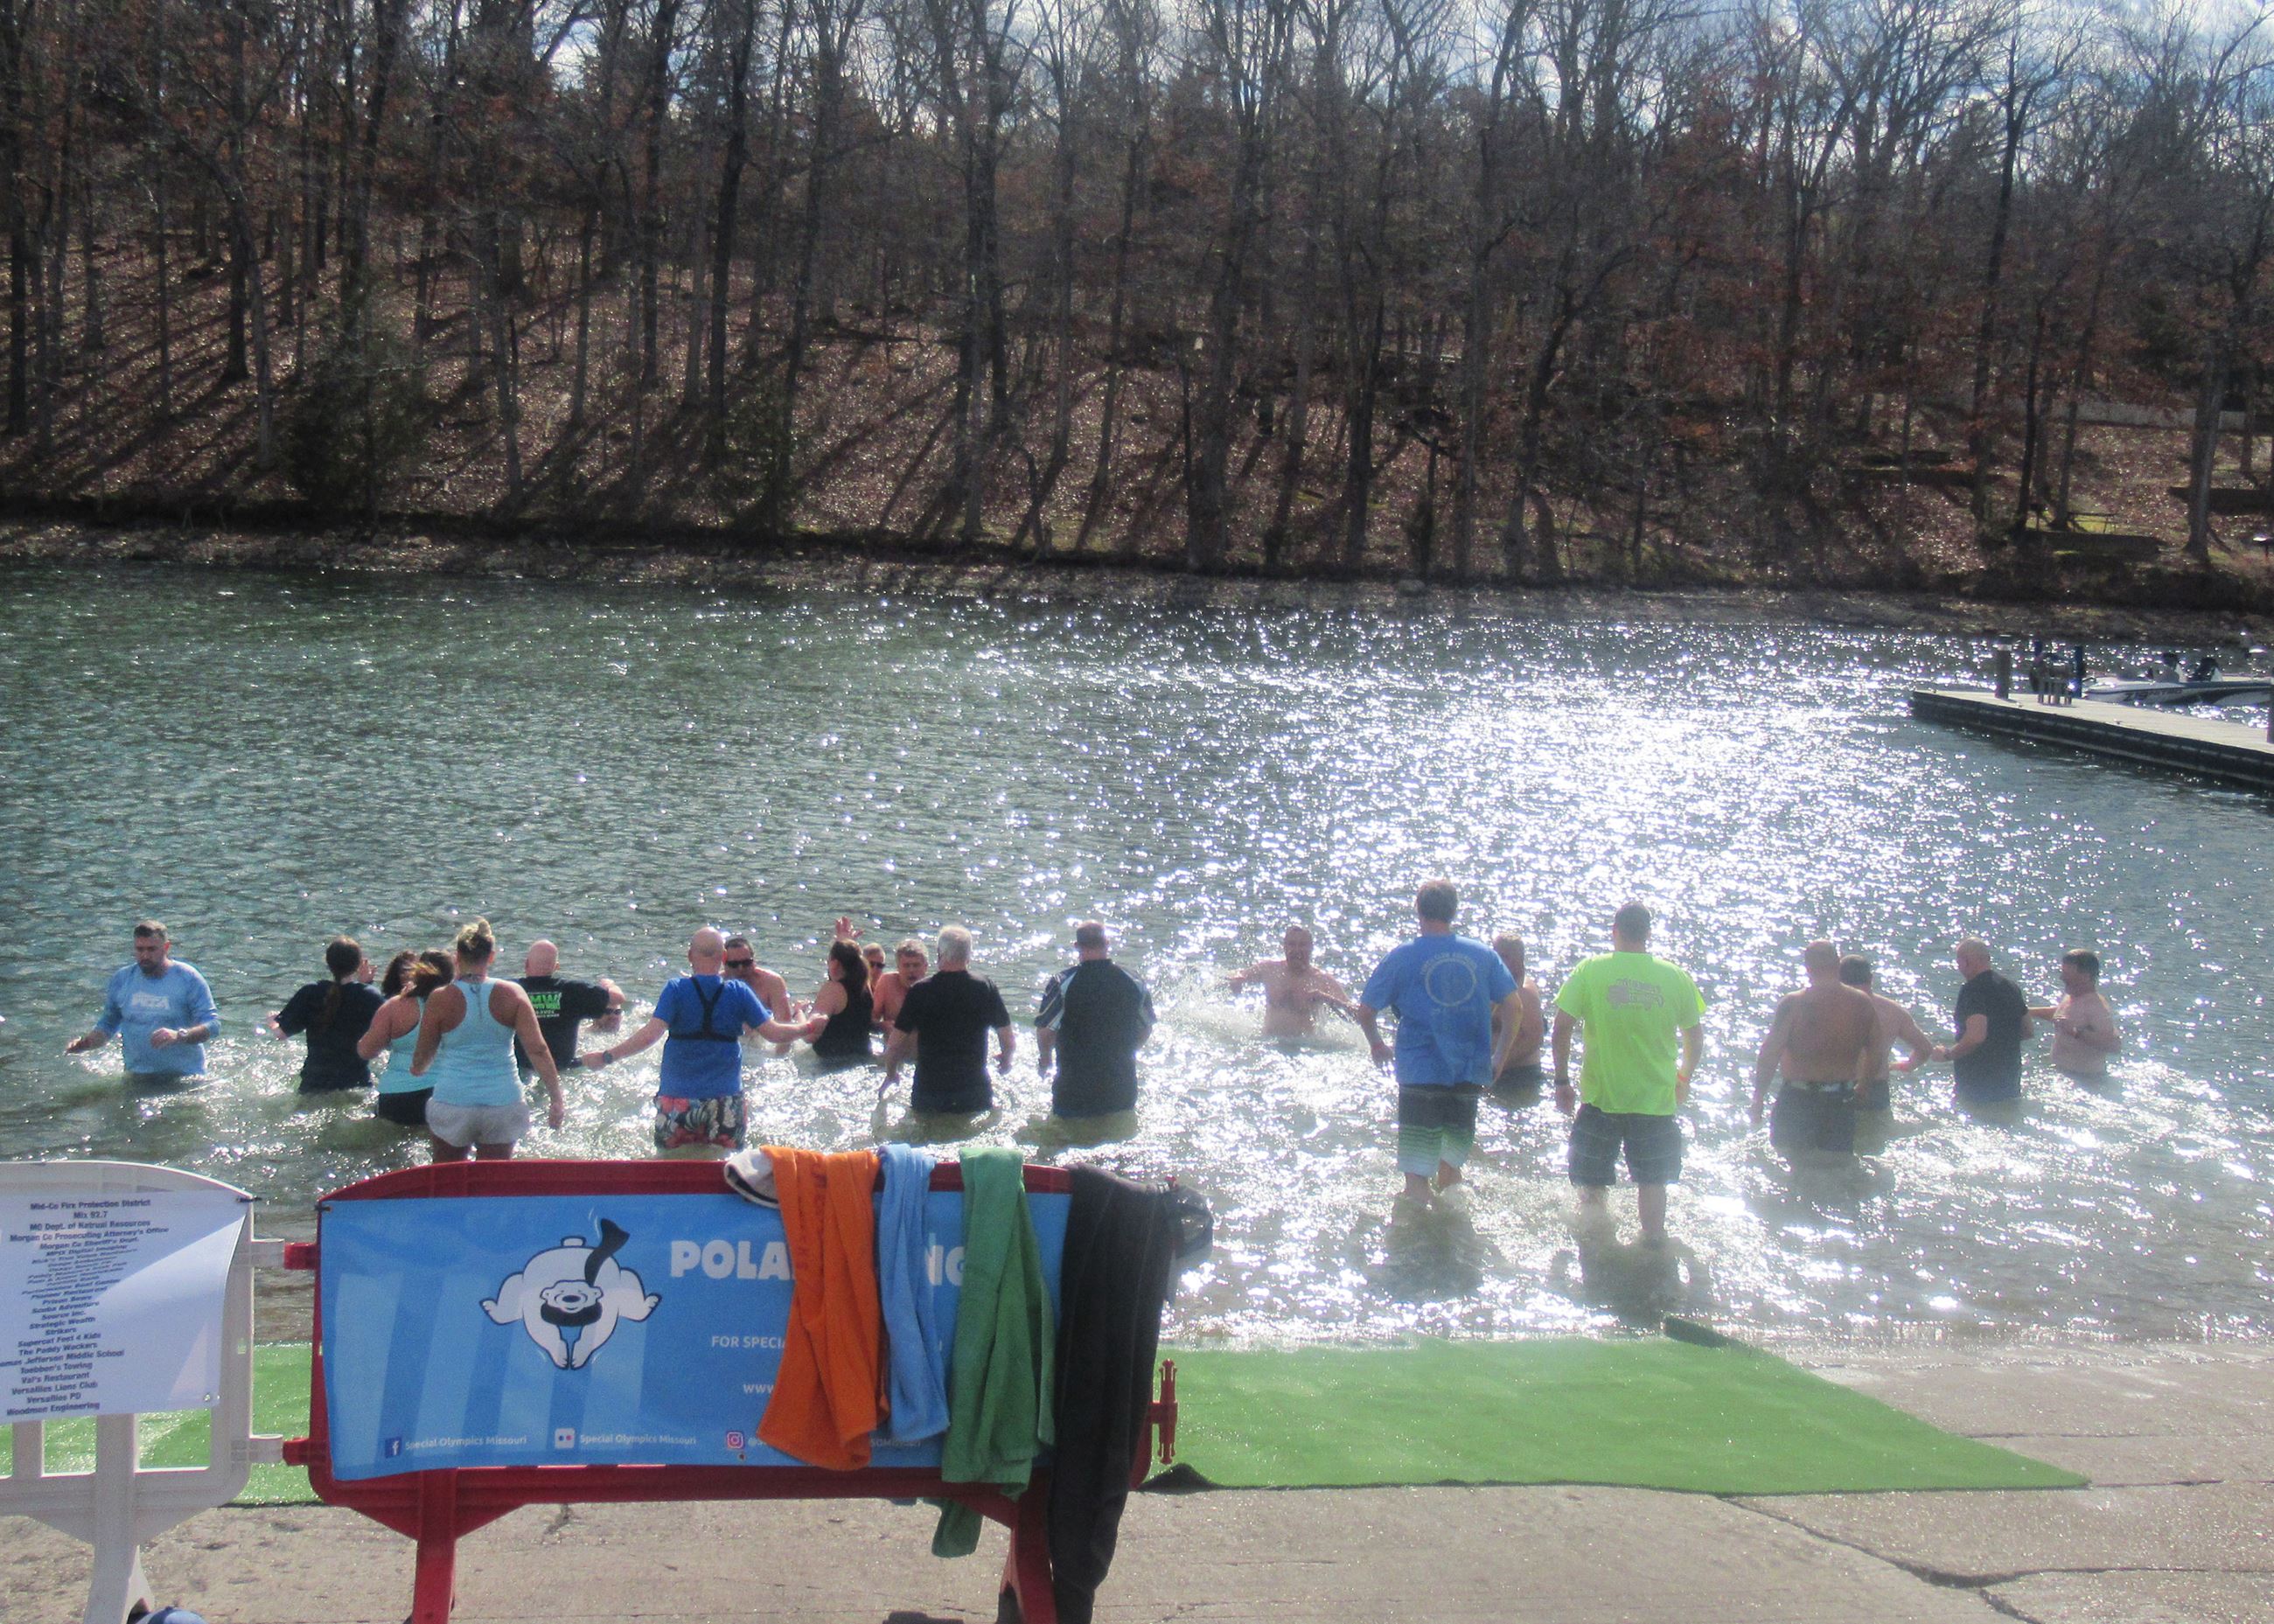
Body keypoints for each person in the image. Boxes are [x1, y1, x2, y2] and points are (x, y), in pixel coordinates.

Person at [1353, 881, 1523, 1207]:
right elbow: (1515, 1006)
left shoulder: (1403, 956)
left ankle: (1420, 1244)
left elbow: (1365, 1011)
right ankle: (1453, 1238)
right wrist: (1499, 1058)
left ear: (1418, 909)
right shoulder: (1483, 955)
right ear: (1454, 911)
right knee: (1451, 1170)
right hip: (1467, 1074)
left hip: (1419, 1074)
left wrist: (1377, 1044)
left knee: (1416, 1177)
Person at [1552, 903, 1705, 1244]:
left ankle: (1594, 1252)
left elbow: (1562, 1028)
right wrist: (1684, 1077)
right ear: (1648, 934)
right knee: (1652, 1183)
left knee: (1591, 1184)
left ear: (1615, 929)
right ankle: (1652, 1251)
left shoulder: (1591, 970)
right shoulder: (1674, 976)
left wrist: (1561, 1080)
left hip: (1601, 1099)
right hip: (1655, 1102)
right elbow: (1694, 1036)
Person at [581, 927, 805, 1154]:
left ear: (689, 956)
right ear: (724, 958)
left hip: (677, 1099)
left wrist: (606, 1056)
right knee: (728, 1167)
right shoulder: (739, 992)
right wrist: (807, 1026)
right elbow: (775, 1033)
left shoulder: (675, 990)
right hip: (725, 1099)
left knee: (669, 1166)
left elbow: (650, 1035)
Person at [409, 919, 566, 1162]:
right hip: (503, 1102)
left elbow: (422, 1060)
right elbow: (538, 1049)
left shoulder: (440, 998)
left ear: (457, 956)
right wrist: (556, 1097)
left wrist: (417, 1067)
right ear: (491, 957)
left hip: (454, 1102)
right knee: (492, 1182)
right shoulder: (513, 993)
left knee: (447, 1181)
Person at [1748, 943, 1888, 1167]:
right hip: (1841, 1099)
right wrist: (1863, 1086)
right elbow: (1878, 1050)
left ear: (1808, 967)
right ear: (1837, 964)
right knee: (1837, 1169)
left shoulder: (1794, 1003)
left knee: (1789, 1167)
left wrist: (1758, 1097)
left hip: (1798, 1098)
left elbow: (1770, 1052)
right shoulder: (1862, 1003)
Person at [65, 921, 220, 1087]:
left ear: (166, 948)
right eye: (140, 949)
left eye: (151, 949)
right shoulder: (122, 979)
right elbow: (108, 1025)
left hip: (185, 1078)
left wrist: (179, 1035)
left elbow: (213, 1025)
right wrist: (86, 1043)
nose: (145, 956)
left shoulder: (188, 978)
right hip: (137, 1077)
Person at [1034, 922, 1155, 1133]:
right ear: (1107, 943)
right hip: (1121, 1087)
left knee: (1065, 1145)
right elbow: (1146, 1028)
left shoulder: (1063, 982)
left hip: (1073, 1089)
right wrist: (1126, 1051)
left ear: (1076, 946)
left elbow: (1046, 1031)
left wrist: (1045, 1059)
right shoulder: (1134, 981)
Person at [882, 927, 1014, 1119]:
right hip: (974, 1092)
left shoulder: (920, 991)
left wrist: (891, 1073)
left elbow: (894, 1045)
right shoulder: (985, 986)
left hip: (929, 1092)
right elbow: (1007, 1039)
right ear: (969, 955)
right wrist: (1006, 1060)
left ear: (939, 954)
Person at [1836, 954, 1936, 1152]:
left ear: (1838, 979)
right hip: (1876, 1087)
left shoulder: (1830, 1008)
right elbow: (1925, 1048)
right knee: (1872, 1148)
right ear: (1871, 979)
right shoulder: (1892, 1010)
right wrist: (1908, 1065)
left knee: (1836, 1151)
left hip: (1838, 1086)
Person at [267, 937, 385, 1093]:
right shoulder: (370, 996)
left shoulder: (311, 992)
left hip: (314, 1085)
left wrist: (272, 1021)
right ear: (357, 965)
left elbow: (281, 1034)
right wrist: (365, 985)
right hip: (355, 1084)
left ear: (328, 963)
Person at [1932, 937, 2030, 1109]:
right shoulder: (2011, 987)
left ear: (1966, 962)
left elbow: (1976, 1037)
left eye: (1959, 962)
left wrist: (1948, 1055)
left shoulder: (1972, 990)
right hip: (2010, 1080)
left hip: (1978, 1081)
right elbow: (2028, 1030)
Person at [359, 950, 453, 1126]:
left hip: (398, 1095)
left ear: (417, 972)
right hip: (446, 1095)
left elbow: (366, 1051)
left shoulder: (396, 1006)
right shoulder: (461, 1006)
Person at [513, 939, 624, 1082]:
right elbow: (618, 998)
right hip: (563, 1070)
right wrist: (609, 984)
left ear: (526, 964)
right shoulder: (572, 991)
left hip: (519, 1070)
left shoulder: (510, 990)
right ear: (556, 967)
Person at [1226, 925, 1353, 1039]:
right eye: (1292, 944)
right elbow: (1239, 974)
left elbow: (1355, 1014)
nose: (1297, 950)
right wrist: (1238, 980)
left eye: (1302, 945)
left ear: (1311, 948)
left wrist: (1325, 998)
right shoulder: (1269, 970)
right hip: (1268, 1042)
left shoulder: (1322, 980)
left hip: (1307, 1048)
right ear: (1285, 947)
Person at [2029, 949, 2120, 1080]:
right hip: (2064, 1074)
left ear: (2085, 976)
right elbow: (2063, 1015)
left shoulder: (2096, 1007)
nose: (2062, 978)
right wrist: (2028, 1012)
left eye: (2067, 974)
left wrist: (2076, 1032)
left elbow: (2114, 1045)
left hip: (2087, 1080)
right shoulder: (2072, 996)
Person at [791, 939, 877, 1065]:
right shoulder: (866, 987)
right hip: (863, 1059)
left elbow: (810, 1036)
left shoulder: (833, 989)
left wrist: (798, 1012)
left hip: (830, 1064)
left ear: (835, 963)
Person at [1489, 932, 1547, 1098]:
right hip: (1495, 1074)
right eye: (1495, 954)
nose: (1497, 960)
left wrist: (1498, 1066)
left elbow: (1534, 1039)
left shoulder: (1525, 993)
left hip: (1520, 1077)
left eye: (1504, 957)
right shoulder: (1496, 985)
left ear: (1518, 960)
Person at [722, 936, 793, 1023]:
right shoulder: (716, 984)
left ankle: (798, 1011)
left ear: (754, 961)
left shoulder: (772, 981)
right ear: (724, 964)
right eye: (734, 964)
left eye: (746, 963)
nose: (741, 968)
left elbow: (784, 1023)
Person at [873, 937, 929, 1037]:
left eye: (916, 965)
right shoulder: (887, 983)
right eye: (906, 965)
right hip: (892, 1049)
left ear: (925, 967)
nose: (911, 970)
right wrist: (882, 1026)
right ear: (898, 967)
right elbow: (870, 1019)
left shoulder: (933, 989)